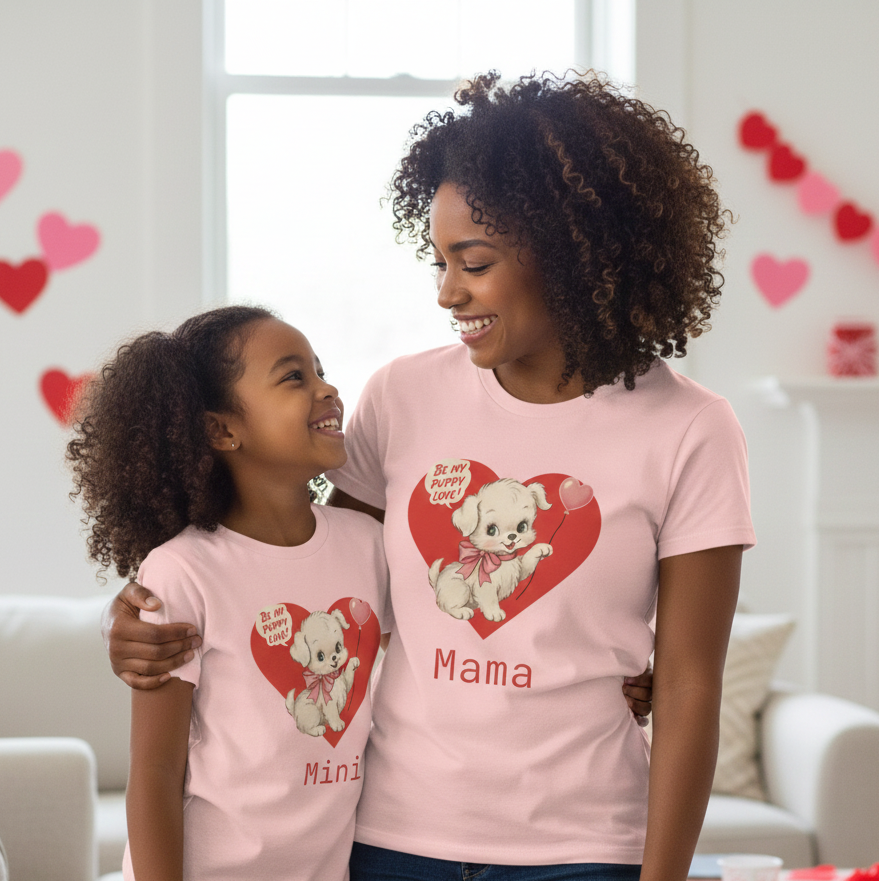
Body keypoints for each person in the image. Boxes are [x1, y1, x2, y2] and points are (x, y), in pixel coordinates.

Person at [104, 70, 754, 881]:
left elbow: (690, 684)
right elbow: (307, 566)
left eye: (471, 262)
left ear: (568, 252)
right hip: (389, 841)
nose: (447, 292)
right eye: (439, 261)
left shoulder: (690, 428)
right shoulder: (401, 395)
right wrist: (146, 618)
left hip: (586, 848)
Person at [68, 306, 391, 881]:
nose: (328, 389)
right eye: (294, 377)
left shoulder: (366, 543)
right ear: (221, 430)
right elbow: (155, 772)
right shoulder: (182, 571)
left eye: (320, 371)